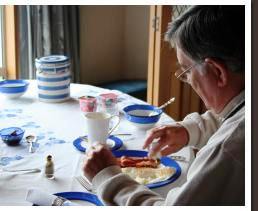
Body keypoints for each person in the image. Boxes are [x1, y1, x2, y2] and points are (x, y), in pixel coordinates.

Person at [82, 5, 245, 205]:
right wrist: (190, 130)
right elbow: (233, 114)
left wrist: (107, 177)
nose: (186, 80)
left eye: (187, 71)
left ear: (218, 72)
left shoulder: (229, 148)